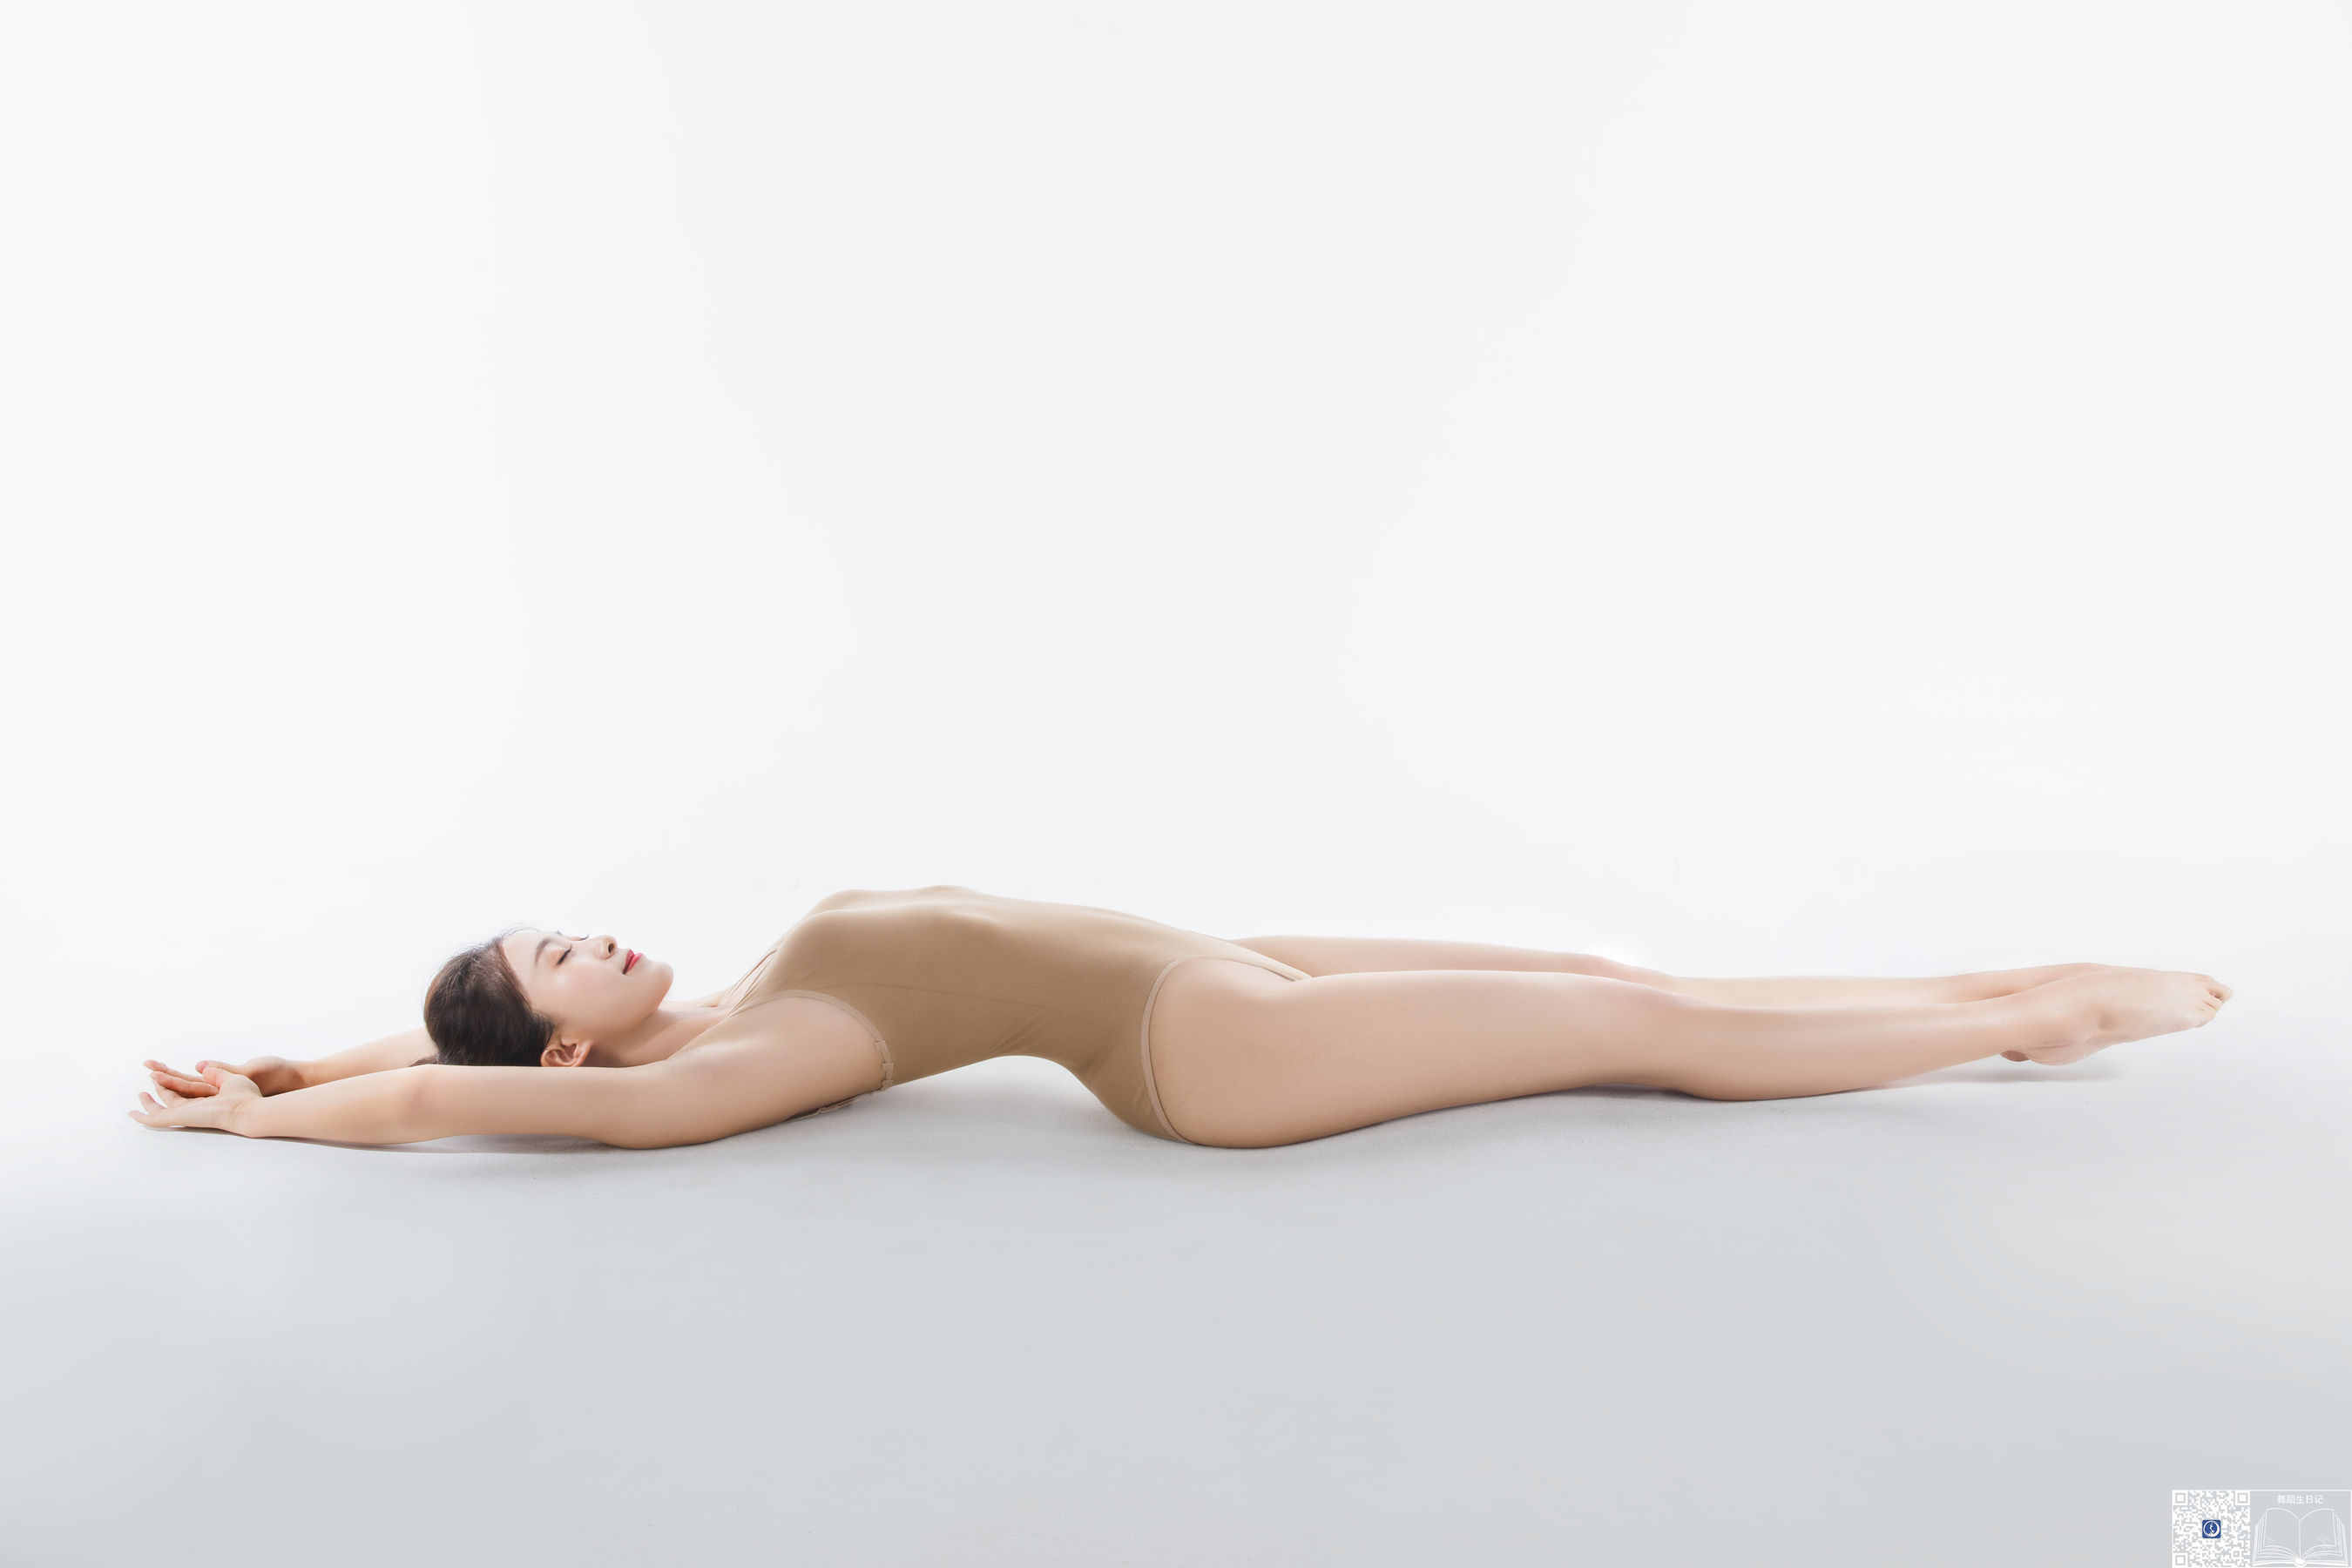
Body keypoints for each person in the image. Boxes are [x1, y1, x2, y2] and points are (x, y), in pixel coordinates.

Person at [130, 884, 2233, 1151]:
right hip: (1206, 1053)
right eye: (553, 964)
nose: (582, 935)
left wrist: (303, 1048)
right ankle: (2023, 1022)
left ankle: (1986, 987)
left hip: (1213, 961)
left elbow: (446, 1062)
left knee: (1607, 978)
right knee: (1657, 1033)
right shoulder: (753, 1063)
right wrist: (260, 1126)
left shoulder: (736, 997)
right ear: (568, 1045)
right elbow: (476, 1109)